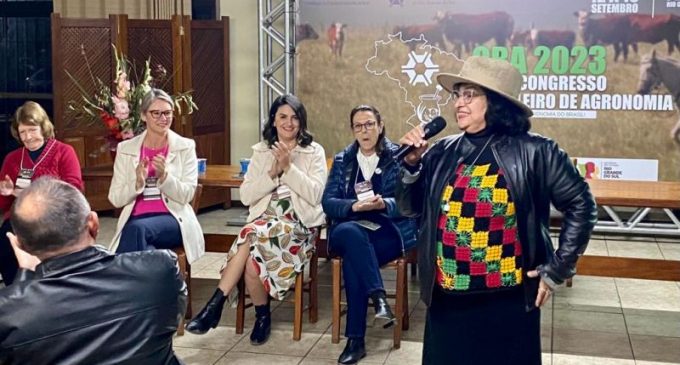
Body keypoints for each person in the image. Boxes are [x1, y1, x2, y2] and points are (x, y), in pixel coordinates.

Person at [396, 56, 597, 365]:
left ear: (497, 102)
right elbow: (411, 209)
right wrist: (410, 165)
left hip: (507, 302)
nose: (459, 103)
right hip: (448, 298)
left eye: (470, 95)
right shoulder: (443, 151)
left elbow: (582, 204)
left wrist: (558, 268)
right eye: (457, 95)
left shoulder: (537, 151)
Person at [186, 94, 327, 346]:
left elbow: (315, 195)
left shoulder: (313, 151)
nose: (289, 123)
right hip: (264, 222)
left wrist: (289, 168)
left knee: (250, 234)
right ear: (273, 120)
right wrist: (273, 173)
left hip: (299, 226)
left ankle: (215, 304)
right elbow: (247, 195)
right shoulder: (261, 151)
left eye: (295, 118)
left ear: (301, 122)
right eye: (282, 117)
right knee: (251, 261)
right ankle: (262, 317)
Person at [0, 177, 186, 365]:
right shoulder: (160, 269)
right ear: (94, 224)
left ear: (20, 244)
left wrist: (25, 278)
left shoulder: (8, 309)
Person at [322, 105, 417, 365]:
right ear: (353, 130)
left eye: (369, 124)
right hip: (348, 226)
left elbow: (411, 203)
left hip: (387, 231)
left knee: (355, 260)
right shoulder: (343, 160)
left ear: (380, 125)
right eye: (358, 126)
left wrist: (383, 204)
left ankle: (356, 340)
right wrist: (352, 206)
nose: (364, 131)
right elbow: (328, 202)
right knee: (352, 234)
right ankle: (379, 298)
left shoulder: (399, 156)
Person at [108, 88, 204, 265]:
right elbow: (115, 199)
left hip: (173, 219)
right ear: (144, 116)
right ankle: (157, 284)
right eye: (156, 113)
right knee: (146, 252)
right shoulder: (126, 149)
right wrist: (137, 182)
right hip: (137, 219)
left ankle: (116, 287)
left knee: (135, 231)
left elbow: (187, 195)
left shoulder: (185, 146)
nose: (163, 118)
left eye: (167, 113)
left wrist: (165, 177)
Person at [0, 101, 82, 285]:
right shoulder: (12, 159)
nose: (28, 137)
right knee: (5, 240)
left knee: (44, 243)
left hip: (54, 216)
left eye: (32, 130)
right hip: (20, 219)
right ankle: (16, 292)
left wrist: (36, 195)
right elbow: (4, 206)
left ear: (43, 127)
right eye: (23, 132)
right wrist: (6, 192)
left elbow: (74, 190)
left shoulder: (63, 151)